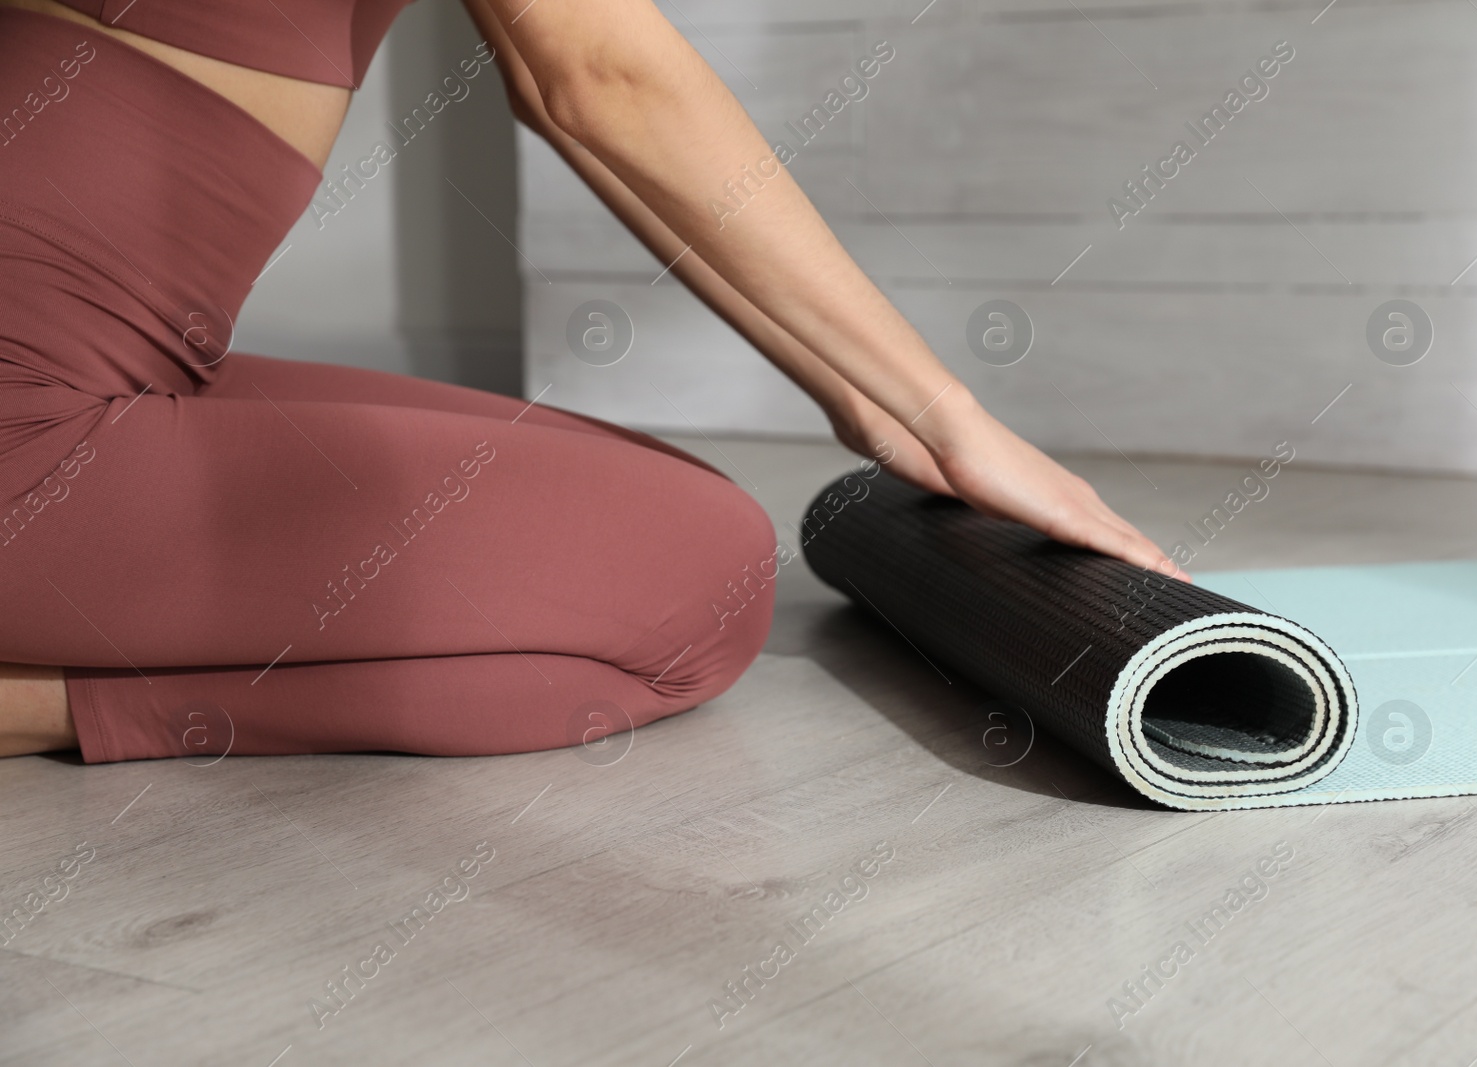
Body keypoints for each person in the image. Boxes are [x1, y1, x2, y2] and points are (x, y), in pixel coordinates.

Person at [0, 0, 1182, 761]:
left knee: (648, 498)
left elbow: (557, 71)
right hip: (30, 419)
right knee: (697, 584)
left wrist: (899, 410)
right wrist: (935, 411)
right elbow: (594, 72)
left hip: (109, 372)